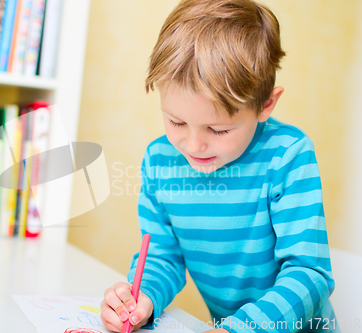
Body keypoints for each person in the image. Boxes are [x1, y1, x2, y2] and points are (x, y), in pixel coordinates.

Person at [100, 0, 339, 332]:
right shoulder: (160, 161)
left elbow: (308, 274)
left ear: (266, 104)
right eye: (176, 121)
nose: (193, 145)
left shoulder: (287, 155)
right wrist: (144, 298)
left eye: (219, 129)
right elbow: (162, 258)